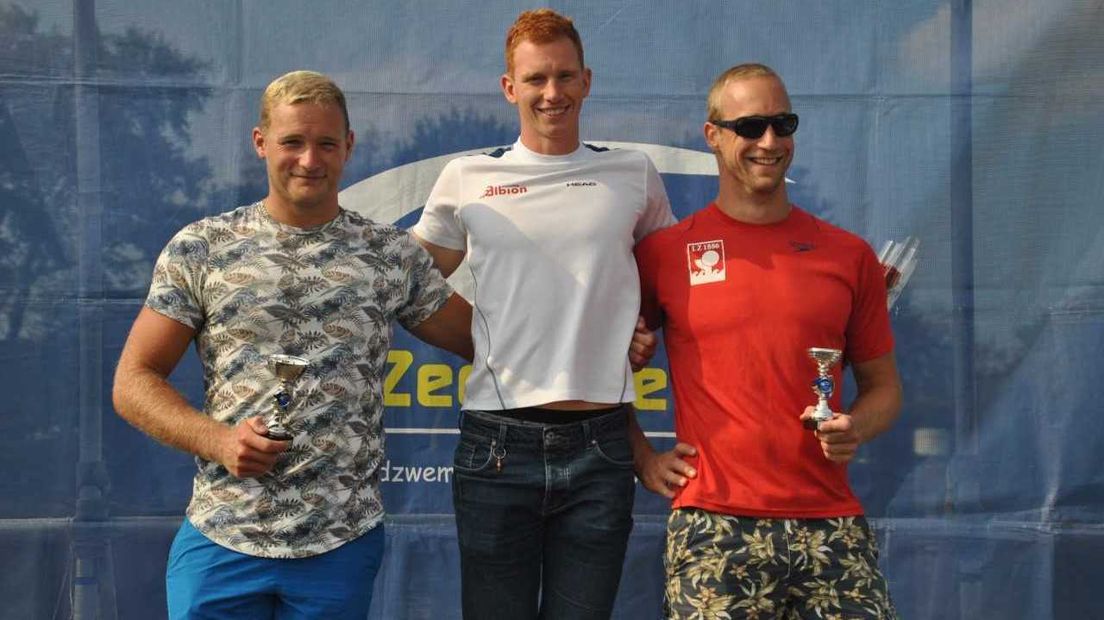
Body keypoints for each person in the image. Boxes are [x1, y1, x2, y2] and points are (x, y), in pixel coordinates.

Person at [112, 70, 473, 619]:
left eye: (326, 143)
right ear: (261, 143)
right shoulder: (202, 248)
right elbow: (133, 381)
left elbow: (490, 341)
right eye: (292, 142)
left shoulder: (388, 256)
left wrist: (625, 334)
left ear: (348, 146)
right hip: (222, 534)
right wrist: (218, 441)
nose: (310, 160)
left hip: (340, 543)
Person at [410, 9, 682, 619]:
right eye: (535, 79)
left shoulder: (632, 173)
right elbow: (405, 287)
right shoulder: (468, 177)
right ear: (510, 87)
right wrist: (479, 337)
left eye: (564, 77)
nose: (551, 93)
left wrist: (645, 324)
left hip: (602, 448)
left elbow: (675, 282)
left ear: (587, 80)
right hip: (496, 448)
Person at [634, 63, 903, 619]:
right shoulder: (663, 254)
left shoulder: (849, 256)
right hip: (714, 524)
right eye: (751, 126)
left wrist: (857, 425)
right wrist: (641, 456)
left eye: (783, 123)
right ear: (713, 135)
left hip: (831, 521)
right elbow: (596, 367)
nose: (770, 141)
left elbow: (883, 390)